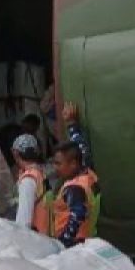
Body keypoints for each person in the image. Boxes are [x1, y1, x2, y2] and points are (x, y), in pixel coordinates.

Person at [48, 103, 101, 247]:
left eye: (58, 163)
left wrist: (63, 242)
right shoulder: (88, 175)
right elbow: (83, 151)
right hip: (87, 240)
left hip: (74, 245)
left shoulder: (74, 188)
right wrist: (72, 125)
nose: (55, 167)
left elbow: (78, 214)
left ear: (73, 164)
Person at [12, 133, 48, 232]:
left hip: (35, 236)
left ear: (16, 153)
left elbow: (24, 220)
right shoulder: (39, 173)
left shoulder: (28, 180)